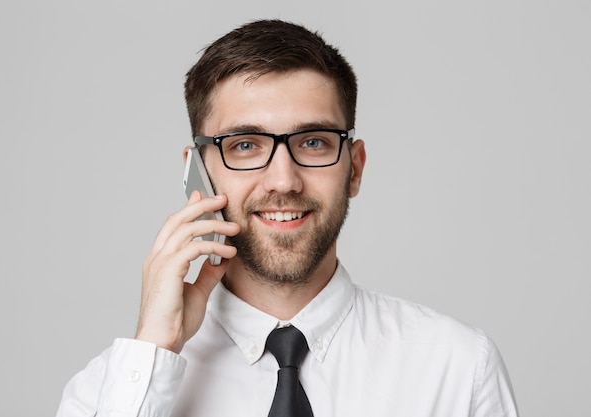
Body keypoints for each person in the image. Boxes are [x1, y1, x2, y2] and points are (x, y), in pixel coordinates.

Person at [56, 19, 518, 417]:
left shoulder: (459, 369)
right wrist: (155, 347)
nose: (283, 180)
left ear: (353, 168)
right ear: (197, 173)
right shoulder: (109, 390)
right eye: (244, 145)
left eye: (313, 142)